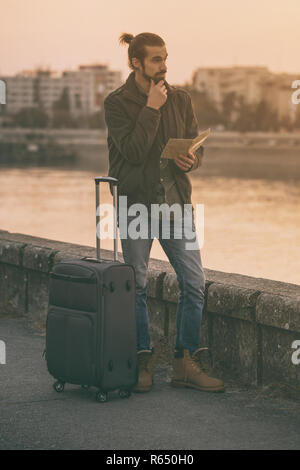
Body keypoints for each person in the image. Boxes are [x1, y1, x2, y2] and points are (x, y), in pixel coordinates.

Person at [104, 32, 225, 393]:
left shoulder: (182, 99)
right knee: (137, 284)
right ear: (136, 63)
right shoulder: (116, 103)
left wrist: (191, 160)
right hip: (136, 205)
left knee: (194, 283)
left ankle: (184, 362)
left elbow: (192, 146)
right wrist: (151, 108)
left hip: (177, 208)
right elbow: (134, 152)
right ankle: (143, 358)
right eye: (156, 59)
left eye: (165, 57)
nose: (164, 65)